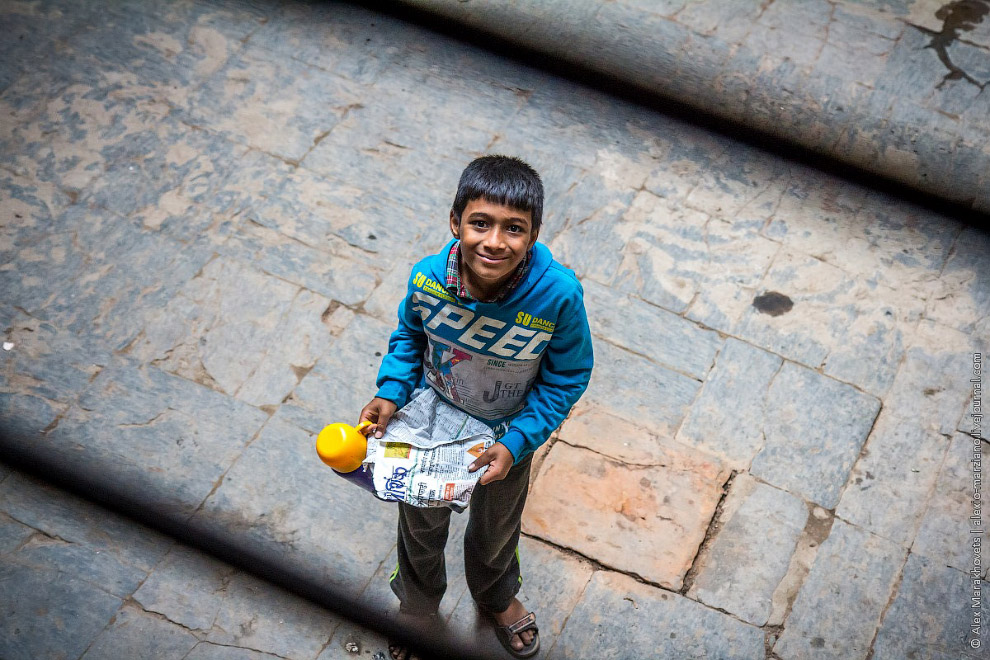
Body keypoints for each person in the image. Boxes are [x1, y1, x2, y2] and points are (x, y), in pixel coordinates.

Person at [360, 155, 594, 660]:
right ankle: (418, 606)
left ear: (533, 235)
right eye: (480, 223)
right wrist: (389, 392)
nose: (494, 242)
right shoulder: (426, 279)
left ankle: (495, 596)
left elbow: (568, 375)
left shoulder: (558, 297)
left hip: (508, 434)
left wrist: (516, 442)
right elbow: (409, 336)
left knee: (494, 530)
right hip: (431, 419)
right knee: (419, 523)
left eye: (514, 228)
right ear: (455, 223)